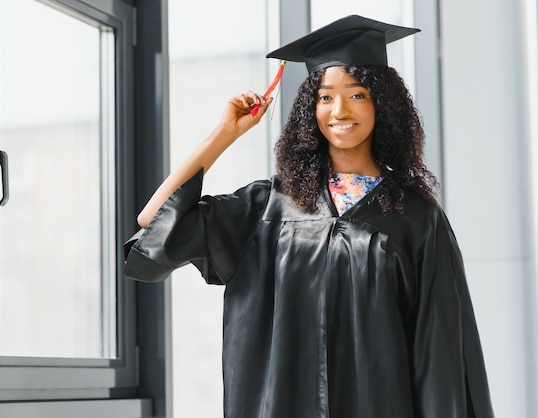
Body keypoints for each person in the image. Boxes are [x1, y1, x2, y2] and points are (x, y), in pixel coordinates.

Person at [124, 14, 495, 418]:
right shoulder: (267, 207)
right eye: (324, 96)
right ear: (309, 109)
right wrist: (224, 135)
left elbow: (440, 354)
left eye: (357, 94)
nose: (339, 110)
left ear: (382, 103)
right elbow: (154, 222)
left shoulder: (417, 217)